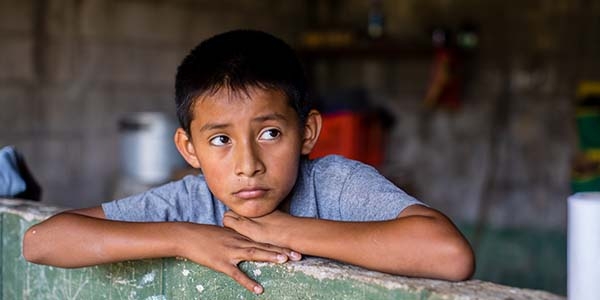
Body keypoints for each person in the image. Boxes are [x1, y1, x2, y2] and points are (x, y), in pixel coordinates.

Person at [22, 29, 474, 295]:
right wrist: (184, 238)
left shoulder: (334, 184)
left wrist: (284, 229)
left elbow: (449, 256)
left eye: (271, 133)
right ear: (189, 150)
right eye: (220, 139)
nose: (248, 164)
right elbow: (42, 242)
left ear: (308, 133)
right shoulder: (189, 201)